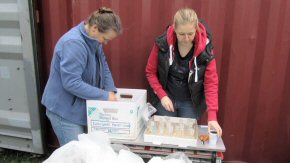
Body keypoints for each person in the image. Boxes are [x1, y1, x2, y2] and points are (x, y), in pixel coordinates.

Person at [41, 7, 122, 146]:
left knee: (86, 151)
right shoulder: (74, 44)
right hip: (64, 111)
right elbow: (71, 82)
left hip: (79, 107)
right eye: (105, 38)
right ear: (95, 28)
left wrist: (110, 90)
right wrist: (104, 96)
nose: (105, 42)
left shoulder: (94, 40)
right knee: (76, 156)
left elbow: (104, 66)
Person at [146, 8, 222, 136]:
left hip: (190, 103)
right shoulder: (162, 43)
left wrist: (212, 117)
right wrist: (162, 95)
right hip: (166, 98)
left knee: (185, 139)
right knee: (165, 137)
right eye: (181, 34)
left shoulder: (205, 50)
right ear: (174, 28)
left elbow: (211, 83)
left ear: (196, 28)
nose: (186, 38)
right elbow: (150, 72)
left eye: (190, 34)